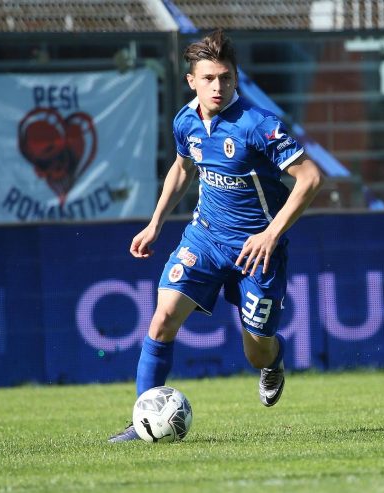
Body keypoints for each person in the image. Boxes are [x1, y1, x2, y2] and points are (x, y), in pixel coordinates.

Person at [109, 29, 323, 442]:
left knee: (255, 349)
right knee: (163, 318)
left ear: (235, 77)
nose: (218, 86)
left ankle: (272, 360)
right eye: (208, 78)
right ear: (192, 80)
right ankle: (142, 421)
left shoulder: (258, 125)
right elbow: (182, 168)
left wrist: (271, 233)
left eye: (225, 77)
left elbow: (311, 178)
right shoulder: (185, 119)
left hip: (256, 251)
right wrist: (155, 223)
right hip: (204, 238)